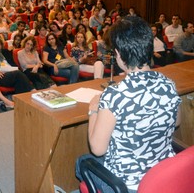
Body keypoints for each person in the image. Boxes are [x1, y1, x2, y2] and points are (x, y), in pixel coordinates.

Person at [76, 16, 182, 192]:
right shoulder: (169, 83)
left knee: (82, 161)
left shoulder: (114, 95)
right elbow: (176, 121)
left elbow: (97, 149)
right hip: (163, 176)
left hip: (127, 185)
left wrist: (93, 110)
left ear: (118, 54)